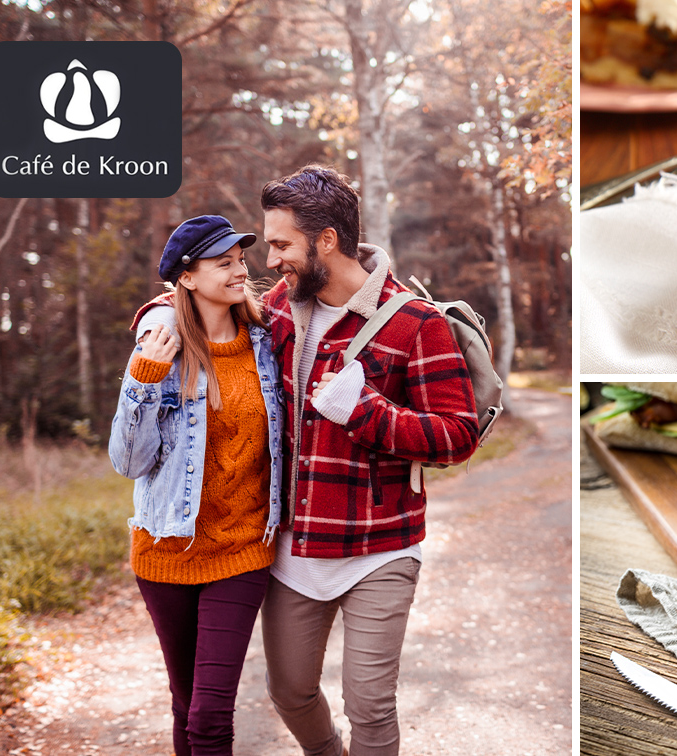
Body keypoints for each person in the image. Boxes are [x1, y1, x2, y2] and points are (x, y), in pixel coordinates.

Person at [258, 165, 479, 756]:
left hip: (381, 548)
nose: (271, 260)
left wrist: (365, 413)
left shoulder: (415, 323)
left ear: (326, 240)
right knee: (289, 691)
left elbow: (459, 434)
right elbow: (207, 311)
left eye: (282, 245)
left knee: (370, 707)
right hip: (294, 549)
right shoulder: (279, 308)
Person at [108, 215, 284, 756]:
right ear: (186, 277)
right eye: (223, 263)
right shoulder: (162, 346)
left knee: (209, 716)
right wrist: (144, 379)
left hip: (242, 550)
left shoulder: (267, 341)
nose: (240, 271)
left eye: (240, 260)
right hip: (166, 549)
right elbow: (128, 462)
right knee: (185, 704)